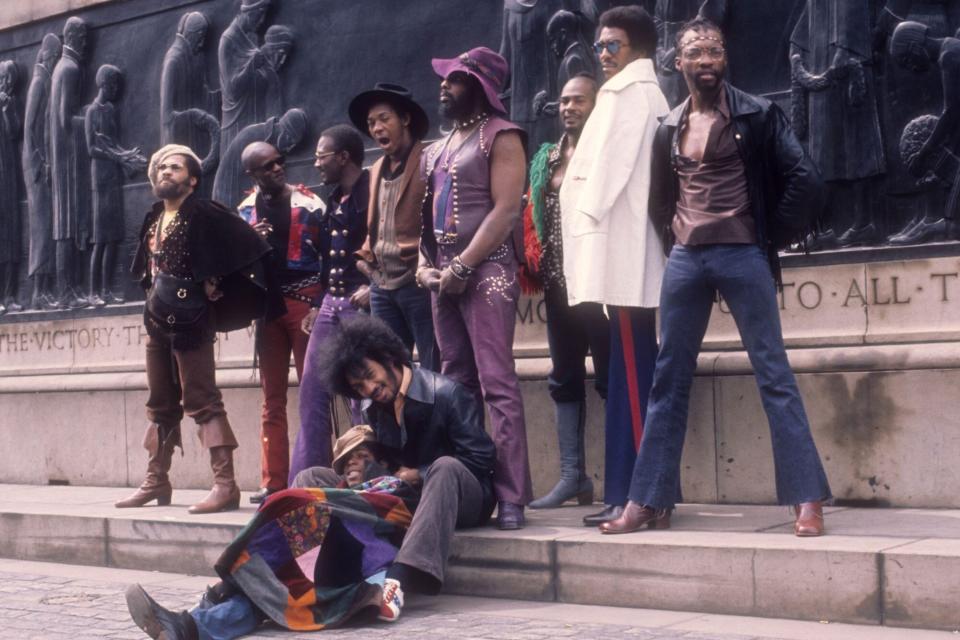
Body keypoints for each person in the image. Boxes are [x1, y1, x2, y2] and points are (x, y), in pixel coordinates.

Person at [600, 17, 832, 536]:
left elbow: (805, 179)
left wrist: (767, 234)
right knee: (667, 380)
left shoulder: (758, 112)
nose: (706, 61)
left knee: (774, 374)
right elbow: (662, 199)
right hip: (687, 259)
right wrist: (678, 243)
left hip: (741, 253)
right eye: (696, 53)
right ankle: (648, 501)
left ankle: (806, 499)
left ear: (724, 59)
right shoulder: (669, 126)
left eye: (715, 52)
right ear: (677, 63)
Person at [124, 316, 497, 638]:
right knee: (309, 478)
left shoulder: (447, 394)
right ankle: (194, 625)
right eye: (359, 387)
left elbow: (480, 461)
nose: (369, 389)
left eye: (369, 376)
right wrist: (363, 471)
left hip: (455, 496)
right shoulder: (379, 408)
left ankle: (397, 581)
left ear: (388, 357)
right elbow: (386, 472)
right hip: (398, 502)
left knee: (446, 467)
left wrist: (421, 473)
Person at [124, 424, 417, 639]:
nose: (353, 464)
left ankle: (209, 604)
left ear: (380, 462)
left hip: (345, 576)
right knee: (264, 595)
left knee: (289, 511)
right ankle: (186, 628)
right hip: (304, 571)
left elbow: (385, 553)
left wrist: (380, 591)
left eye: (362, 456)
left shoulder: (390, 494)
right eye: (347, 460)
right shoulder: (334, 496)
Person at [116, 144, 274, 514]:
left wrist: (216, 280)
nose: (165, 172)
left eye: (174, 167)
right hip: (157, 322)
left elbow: (245, 243)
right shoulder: (155, 216)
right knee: (159, 403)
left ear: (192, 179)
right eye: (160, 168)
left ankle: (225, 485)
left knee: (201, 398)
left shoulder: (203, 212)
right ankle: (157, 480)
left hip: (192, 322)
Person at [559, 5, 668, 526]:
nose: (602, 54)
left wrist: (582, 215)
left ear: (639, 48)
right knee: (628, 377)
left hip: (624, 259)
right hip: (618, 258)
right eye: (600, 46)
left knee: (633, 376)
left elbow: (607, 175)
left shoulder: (632, 95)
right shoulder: (625, 92)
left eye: (612, 46)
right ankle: (629, 491)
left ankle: (643, 495)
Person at [418, 46, 532, 530]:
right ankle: (467, 489)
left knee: (497, 382)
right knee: (455, 384)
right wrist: (426, 265)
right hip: (443, 275)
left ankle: (511, 495)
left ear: (480, 85)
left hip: (486, 274)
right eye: (445, 79)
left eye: (456, 80)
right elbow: (423, 220)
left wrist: (462, 265)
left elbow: (506, 211)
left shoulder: (501, 136)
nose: (444, 86)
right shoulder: (435, 148)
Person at [521, 74, 610, 509]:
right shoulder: (548, 158)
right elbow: (534, 213)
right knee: (564, 377)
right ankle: (573, 477)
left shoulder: (606, 152)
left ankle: (624, 475)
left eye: (579, 100)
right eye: (564, 101)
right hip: (558, 286)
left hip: (599, 283)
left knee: (612, 379)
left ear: (596, 104)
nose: (569, 107)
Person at [236, 141, 325, 504]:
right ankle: (273, 482)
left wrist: (321, 304)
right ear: (252, 174)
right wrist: (248, 246)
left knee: (313, 393)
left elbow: (331, 257)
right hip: (267, 310)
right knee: (271, 399)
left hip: (305, 304)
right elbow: (234, 265)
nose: (276, 168)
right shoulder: (243, 212)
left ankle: (315, 472)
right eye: (266, 166)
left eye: (278, 162)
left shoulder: (310, 204)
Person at [290, 125, 370, 480]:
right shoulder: (333, 200)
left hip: (361, 305)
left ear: (343, 156)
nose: (316, 163)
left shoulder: (373, 193)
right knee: (312, 392)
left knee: (362, 394)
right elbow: (328, 261)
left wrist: (375, 286)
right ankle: (306, 480)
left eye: (321, 155)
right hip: (330, 304)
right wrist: (317, 303)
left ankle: (366, 476)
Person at [349, 83, 439, 371]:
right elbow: (376, 226)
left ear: (405, 119)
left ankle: (436, 417)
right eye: (371, 123)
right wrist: (366, 260)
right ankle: (401, 419)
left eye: (384, 119)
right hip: (381, 287)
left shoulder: (431, 161)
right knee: (389, 370)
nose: (377, 128)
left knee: (433, 367)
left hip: (418, 285)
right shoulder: (374, 170)